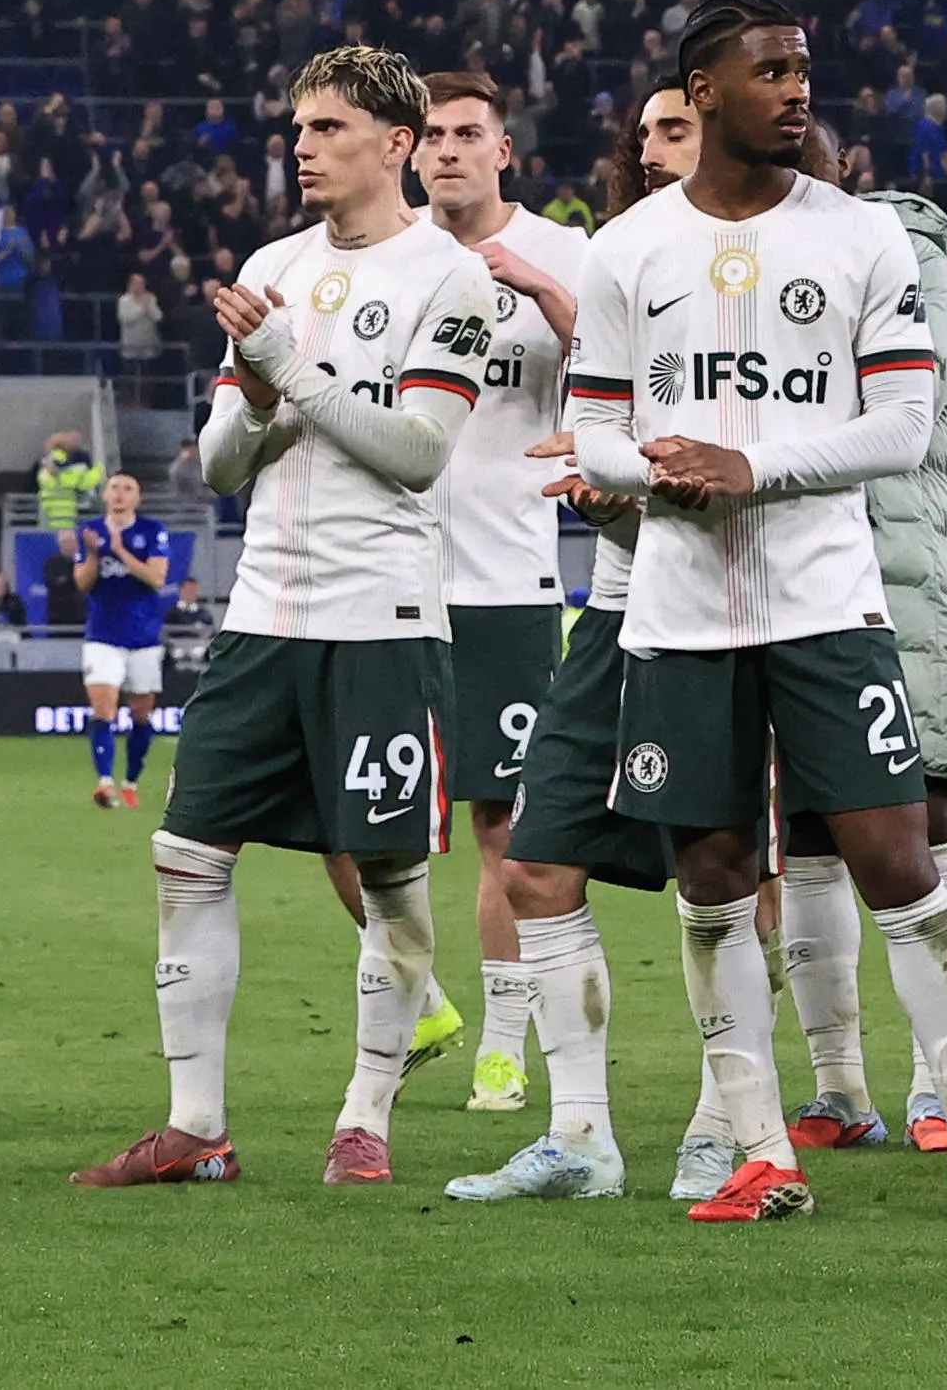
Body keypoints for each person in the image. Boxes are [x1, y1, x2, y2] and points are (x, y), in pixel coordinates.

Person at [562, 0, 947, 1227]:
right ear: (706, 90)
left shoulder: (859, 239)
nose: (797, 91)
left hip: (830, 604)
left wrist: (749, 467)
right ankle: (758, 1151)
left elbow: (897, 427)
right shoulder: (627, 249)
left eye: (802, 70)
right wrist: (653, 473)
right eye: (771, 71)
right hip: (677, 617)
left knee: (897, 857)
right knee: (714, 877)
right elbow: (593, 433)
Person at [74, 47, 499, 1191]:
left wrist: (289, 370)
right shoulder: (274, 265)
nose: (301, 146)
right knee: (184, 856)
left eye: (325, 128)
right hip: (264, 613)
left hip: (384, 619)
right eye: (297, 128)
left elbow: (416, 455)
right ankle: (196, 1125)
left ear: (395, 143)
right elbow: (219, 467)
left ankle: (365, 1113)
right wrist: (256, 396)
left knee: (391, 875)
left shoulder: (453, 282)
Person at [457, 89, 753, 1207]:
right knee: (535, 863)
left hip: (731, 609)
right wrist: (605, 489)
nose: (651, 147)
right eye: (642, 135)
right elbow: (606, 438)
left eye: (674, 127)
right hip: (619, 603)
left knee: (724, 880)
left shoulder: (768, 271)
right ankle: (579, 1137)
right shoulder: (627, 266)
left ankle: (727, 1122)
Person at [783, 179, 947, 1160]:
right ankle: (837, 1086)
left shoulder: (908, 252)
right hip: (791, 568)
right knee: (804, 829)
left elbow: (894, 388)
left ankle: (939, 1084)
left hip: (900, 570)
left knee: (924, 804)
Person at [404, 71, 589, 1120]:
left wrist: (544, 295)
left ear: (504, 149)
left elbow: (624, 374)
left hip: (511, 586)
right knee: (357, 826)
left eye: (468, 133)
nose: (449, 152)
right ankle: (424, 1000)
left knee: (500, 831)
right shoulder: (392, 257)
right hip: (391, 581)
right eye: (431, 135)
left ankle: (504, 1048)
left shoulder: (567, 254)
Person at [74, 472, 178, 810]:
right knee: (104, 707)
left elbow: (157, 578)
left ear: (138, 498)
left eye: (128, 488)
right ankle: (104, 783)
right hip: (103, 635)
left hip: (145, 637)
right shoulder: (90, 531)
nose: (120, 494)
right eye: (115, 487)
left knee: (141, 714)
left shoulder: (151, 530)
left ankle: (130, 780)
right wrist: (93, 555)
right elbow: (83, 584)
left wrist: (120, 552)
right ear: (105, 495)